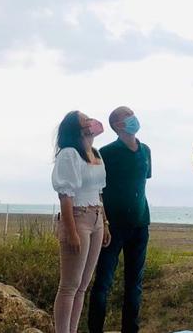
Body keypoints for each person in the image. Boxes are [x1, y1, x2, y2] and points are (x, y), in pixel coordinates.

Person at [88, 106, 152, 333]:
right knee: (103, 282)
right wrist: (103, 223)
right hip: (113, 227)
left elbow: (142, 181)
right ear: (117, 125)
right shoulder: (107, 152)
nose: (134, 118)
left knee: (134, 285)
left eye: (133, 113)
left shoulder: (145, 150)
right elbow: (97, 189)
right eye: (127, 116)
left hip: (140, 224)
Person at [51, 110, 111, 333]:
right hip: (78, 216)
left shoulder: (94, 152)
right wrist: (71, 230)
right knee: (69, 285)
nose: (90, 122)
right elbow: (65, 195)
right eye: (84, 120)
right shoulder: (69, 154)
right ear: (76, 129)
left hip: (95, 217)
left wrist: (104, 223)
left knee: (82, 286)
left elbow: (99, 192)